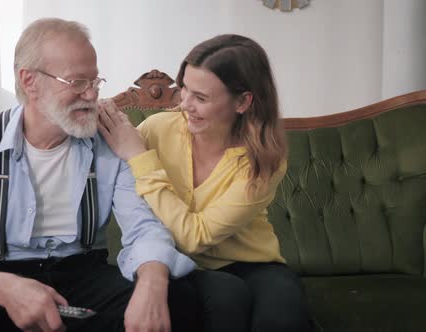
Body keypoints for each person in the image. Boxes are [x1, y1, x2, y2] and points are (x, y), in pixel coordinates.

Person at [0, 18, 200, 332]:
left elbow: (144, 229)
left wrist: (152, 283)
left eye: (95, 82)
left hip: (84, 275)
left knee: (176, 298)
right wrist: (6, 289)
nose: (91, 95)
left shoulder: (111, 138)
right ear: (29, 81)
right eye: (77, 83)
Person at [98, 34, 312, 332]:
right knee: (223, 302)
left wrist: (141, 158)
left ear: (242, 102)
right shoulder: (157, 129)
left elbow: (195, 236)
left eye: (201, 97)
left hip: (253, 265)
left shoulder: (263, 161)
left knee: (283, 320)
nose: (185, 105)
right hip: (177, 263)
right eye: (184, 89)